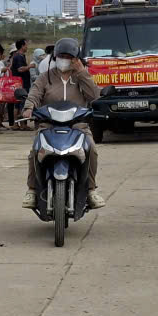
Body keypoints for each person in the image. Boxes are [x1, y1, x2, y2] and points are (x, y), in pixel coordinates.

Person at [21, 38, 106, 210]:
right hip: (48, 125)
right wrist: (29, 107)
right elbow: (34, 94)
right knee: (35, 151)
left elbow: (95, 97)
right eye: (61, 56)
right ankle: (31, 189)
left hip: (78, 126)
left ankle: (90, 190)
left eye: (69, 56)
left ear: (77, 58)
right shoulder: (45, 77)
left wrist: (82, 73)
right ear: (55, 57)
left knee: (92, 149)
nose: (64, 59)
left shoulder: (82, 77)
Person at [8, 39, 34, 127]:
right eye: (26, 45)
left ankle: (18, 123)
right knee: (20, 104)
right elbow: (20, 69)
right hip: (21, 83)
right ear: (22, 46)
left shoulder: (20, 56)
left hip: (21, 83)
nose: (27, 47)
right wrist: (30, 66)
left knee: (18, 103)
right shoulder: (18, 56)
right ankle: (21, 124)